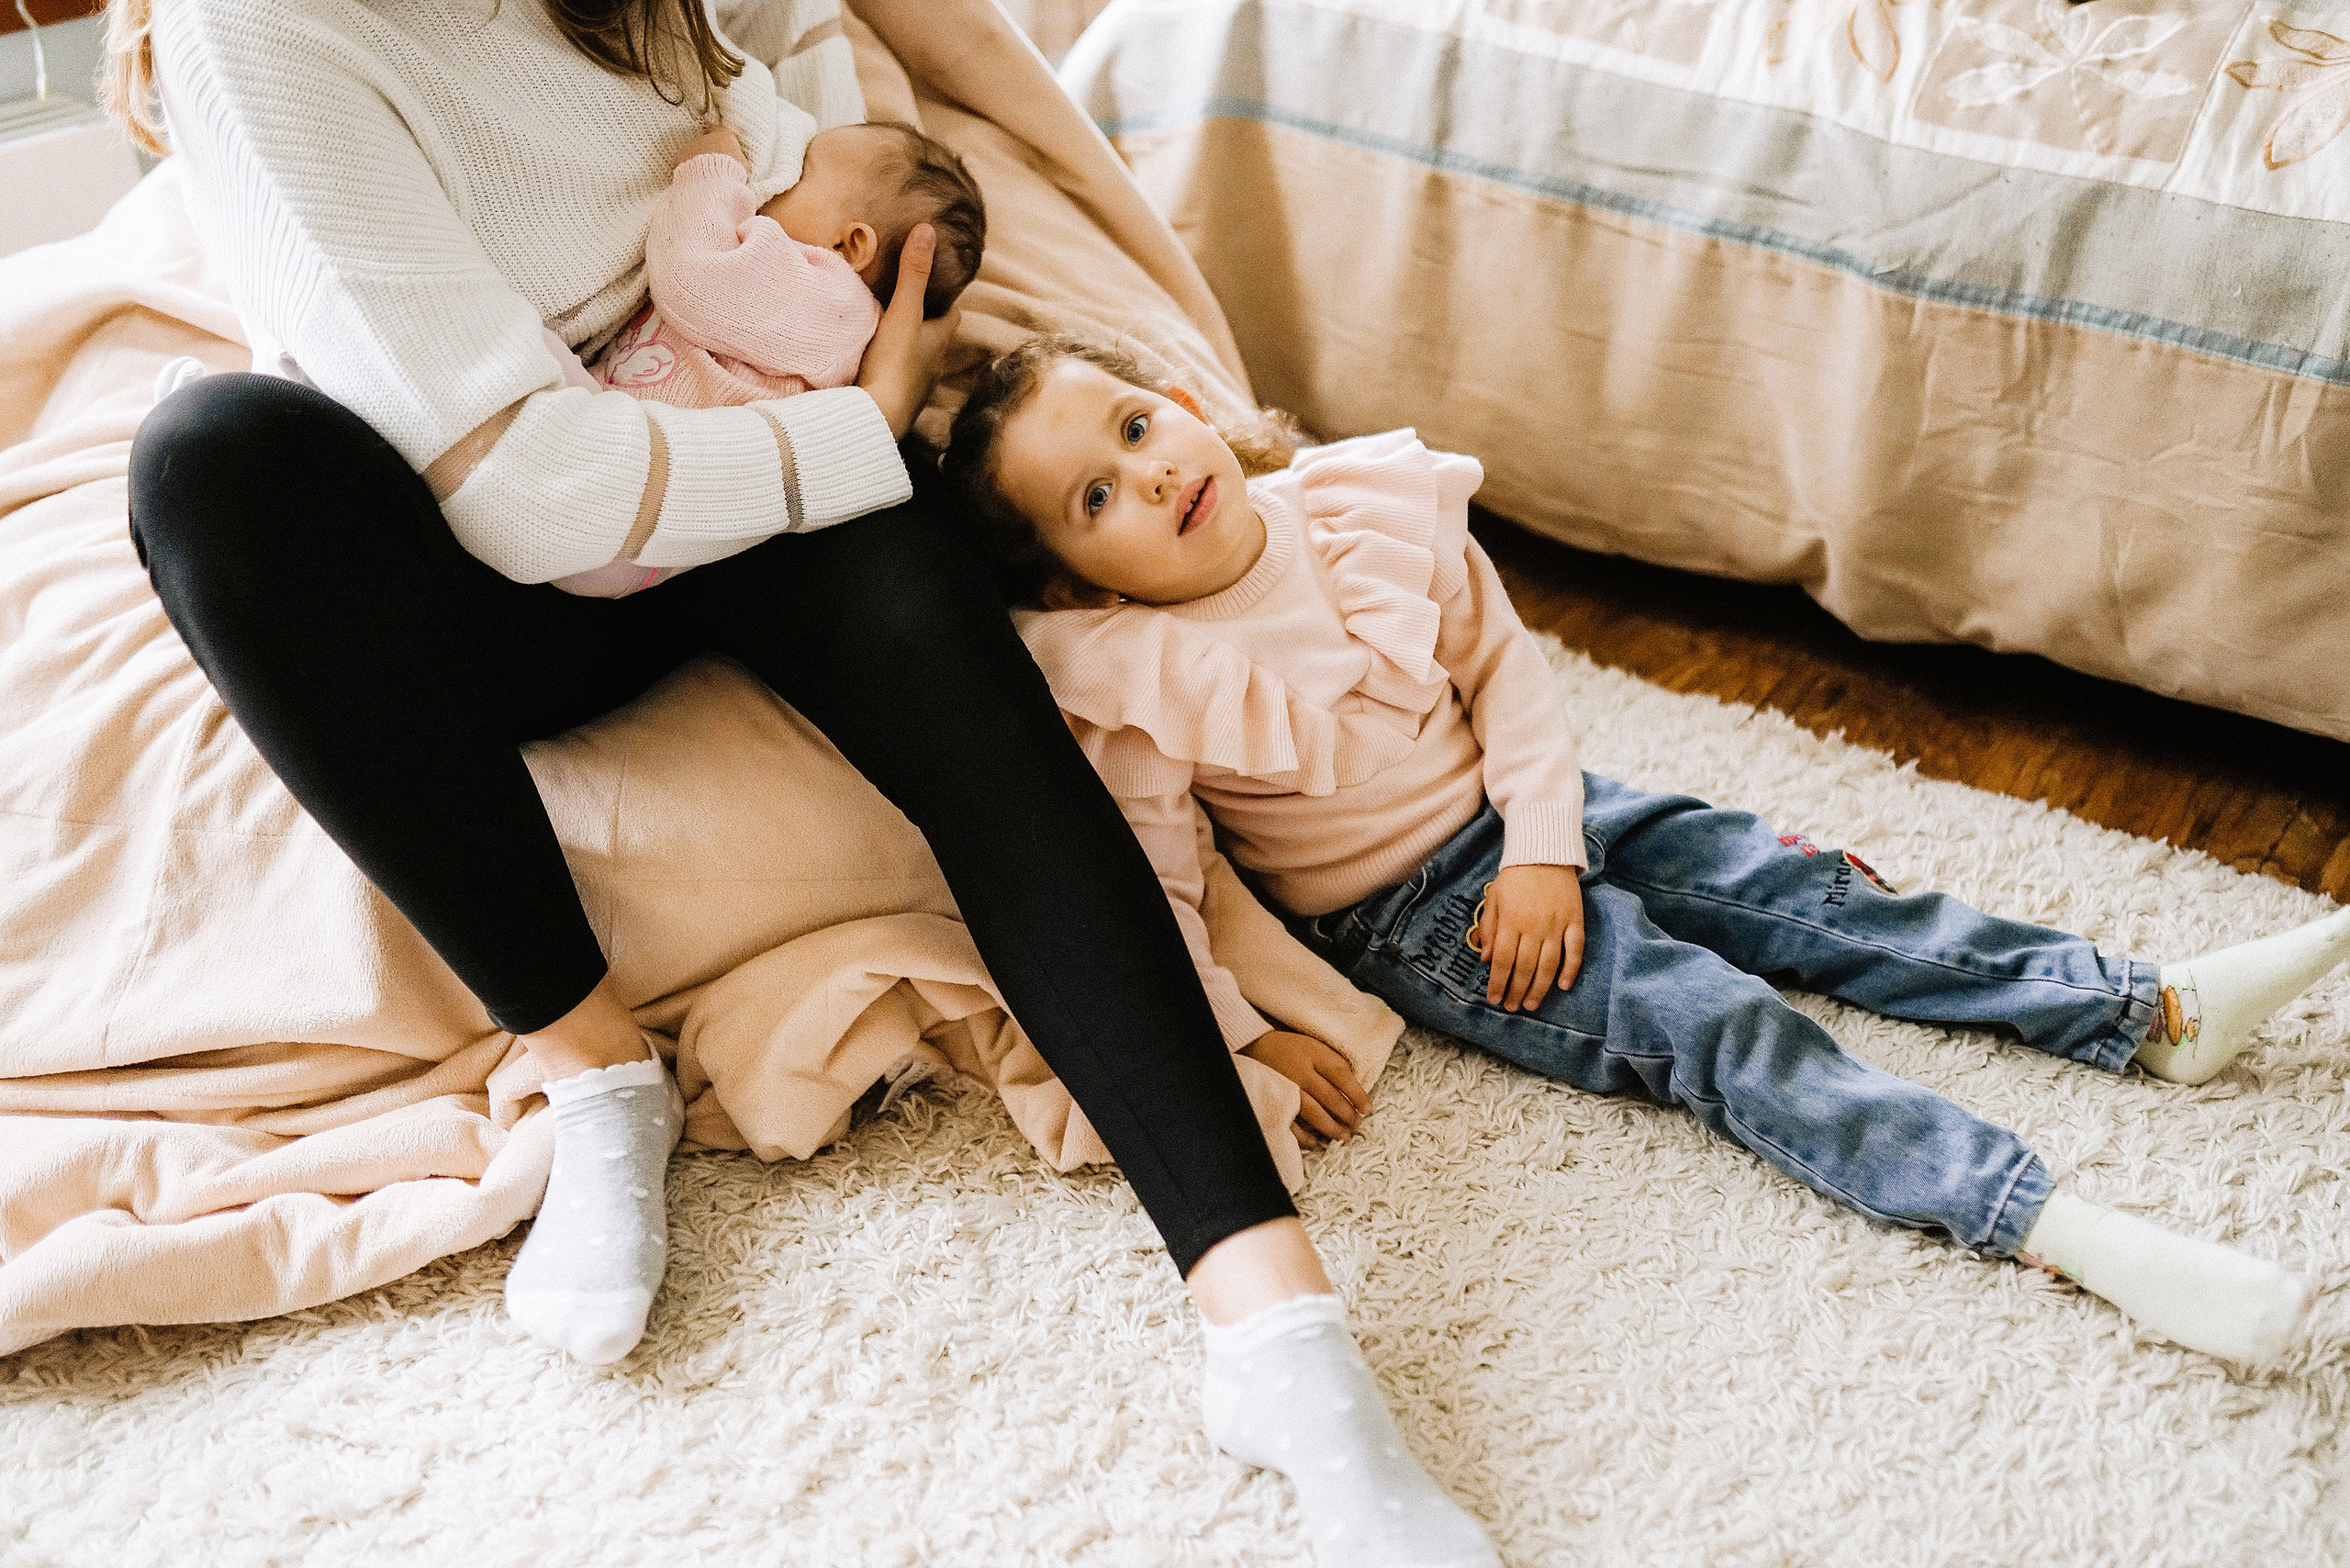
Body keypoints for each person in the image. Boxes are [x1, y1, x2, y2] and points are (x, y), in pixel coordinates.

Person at [104, 3, 1500, 1562]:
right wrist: (857, 436)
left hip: (740, 398)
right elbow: (531, 490)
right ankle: (591, 1065)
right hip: (481, 538)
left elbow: (813, 54)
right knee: (205, 459)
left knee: (946, 648)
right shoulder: (260, 31)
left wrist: (821, 287)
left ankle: (1279, 1336)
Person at [940, 334, 2341, 1394]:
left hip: (1548, 801)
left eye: (1137, 425)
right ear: (1077, 583)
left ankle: (2140, 1010)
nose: (1155, 471)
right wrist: (1245, 1032)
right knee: (1709, 1021)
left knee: (1805, 890)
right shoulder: (1139, 678)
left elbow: (1507, 677)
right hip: (1424, 913)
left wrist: (1550, 842)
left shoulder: (1359, 507)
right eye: (1098, 494)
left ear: (1179, 400)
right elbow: (1160, 890)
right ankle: (2051, 1222)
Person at [555, 118, 985, 597]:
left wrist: (711, 171)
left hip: (630, 511)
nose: (779, 175)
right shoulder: (832, 310)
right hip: (638, 515)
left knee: (529, 349)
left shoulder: (827, 294)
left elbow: (695, 278)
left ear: (850, 244)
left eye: (802, 170)